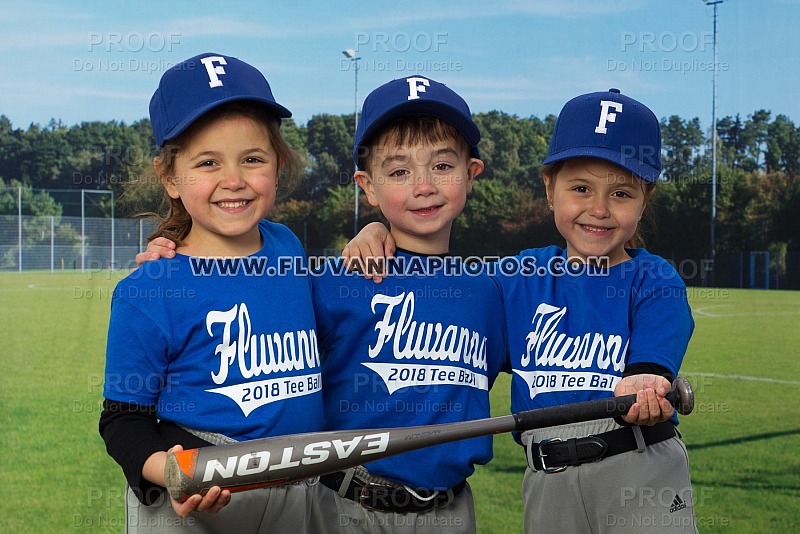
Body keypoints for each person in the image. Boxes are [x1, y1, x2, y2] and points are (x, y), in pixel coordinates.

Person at [137, 74, 509, 534]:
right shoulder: (337, 280)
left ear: (471, 174)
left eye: (442, 166)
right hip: (342, 504)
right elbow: (243, 304)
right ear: (366, 187)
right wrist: (174, 248)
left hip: (450, 511)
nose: (424, 186)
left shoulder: (494, 291)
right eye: (398, 171)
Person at [346, 89, 698, 533]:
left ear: (646, 197)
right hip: (547, 475)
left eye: (622, 193)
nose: (599, 209)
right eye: (581, 188)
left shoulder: (654, 279)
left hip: (637, 461)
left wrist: (647, 376)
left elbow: (659, 340)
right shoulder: (516, 278)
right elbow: (447, 299)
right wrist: (377, 228)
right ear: (550, 189)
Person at [99, 52, 323, 533]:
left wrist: (373, 234)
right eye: (207, 162)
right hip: (198, 494)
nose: (234, 180)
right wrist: (175, 472)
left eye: (253, 159)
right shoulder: (150, 288)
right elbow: (122, 421)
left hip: (299, 486)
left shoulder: (286, 246)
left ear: (277, 166)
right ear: (171, 178)